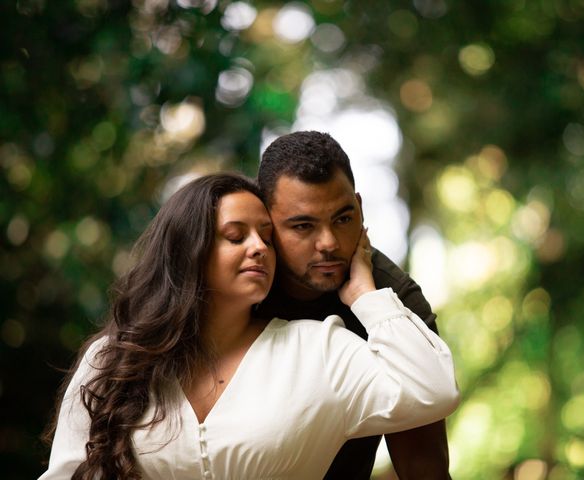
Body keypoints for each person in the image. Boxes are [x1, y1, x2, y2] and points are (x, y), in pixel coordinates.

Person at [39, 172, 459, 479]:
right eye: (236, 236)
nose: (259, 248)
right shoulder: (116, 359)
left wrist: (367, 295)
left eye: (266, 237)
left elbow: (433, 388)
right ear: (191, 250)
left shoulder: (320, 350)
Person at [257, 130, 453, 479]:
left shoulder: (394, 300)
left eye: (343, 219)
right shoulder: (234, 286)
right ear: (266, 224)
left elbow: (425, 469)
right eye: (303, 226)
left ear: (360, 208)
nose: (329, 243)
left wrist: (367, 300)